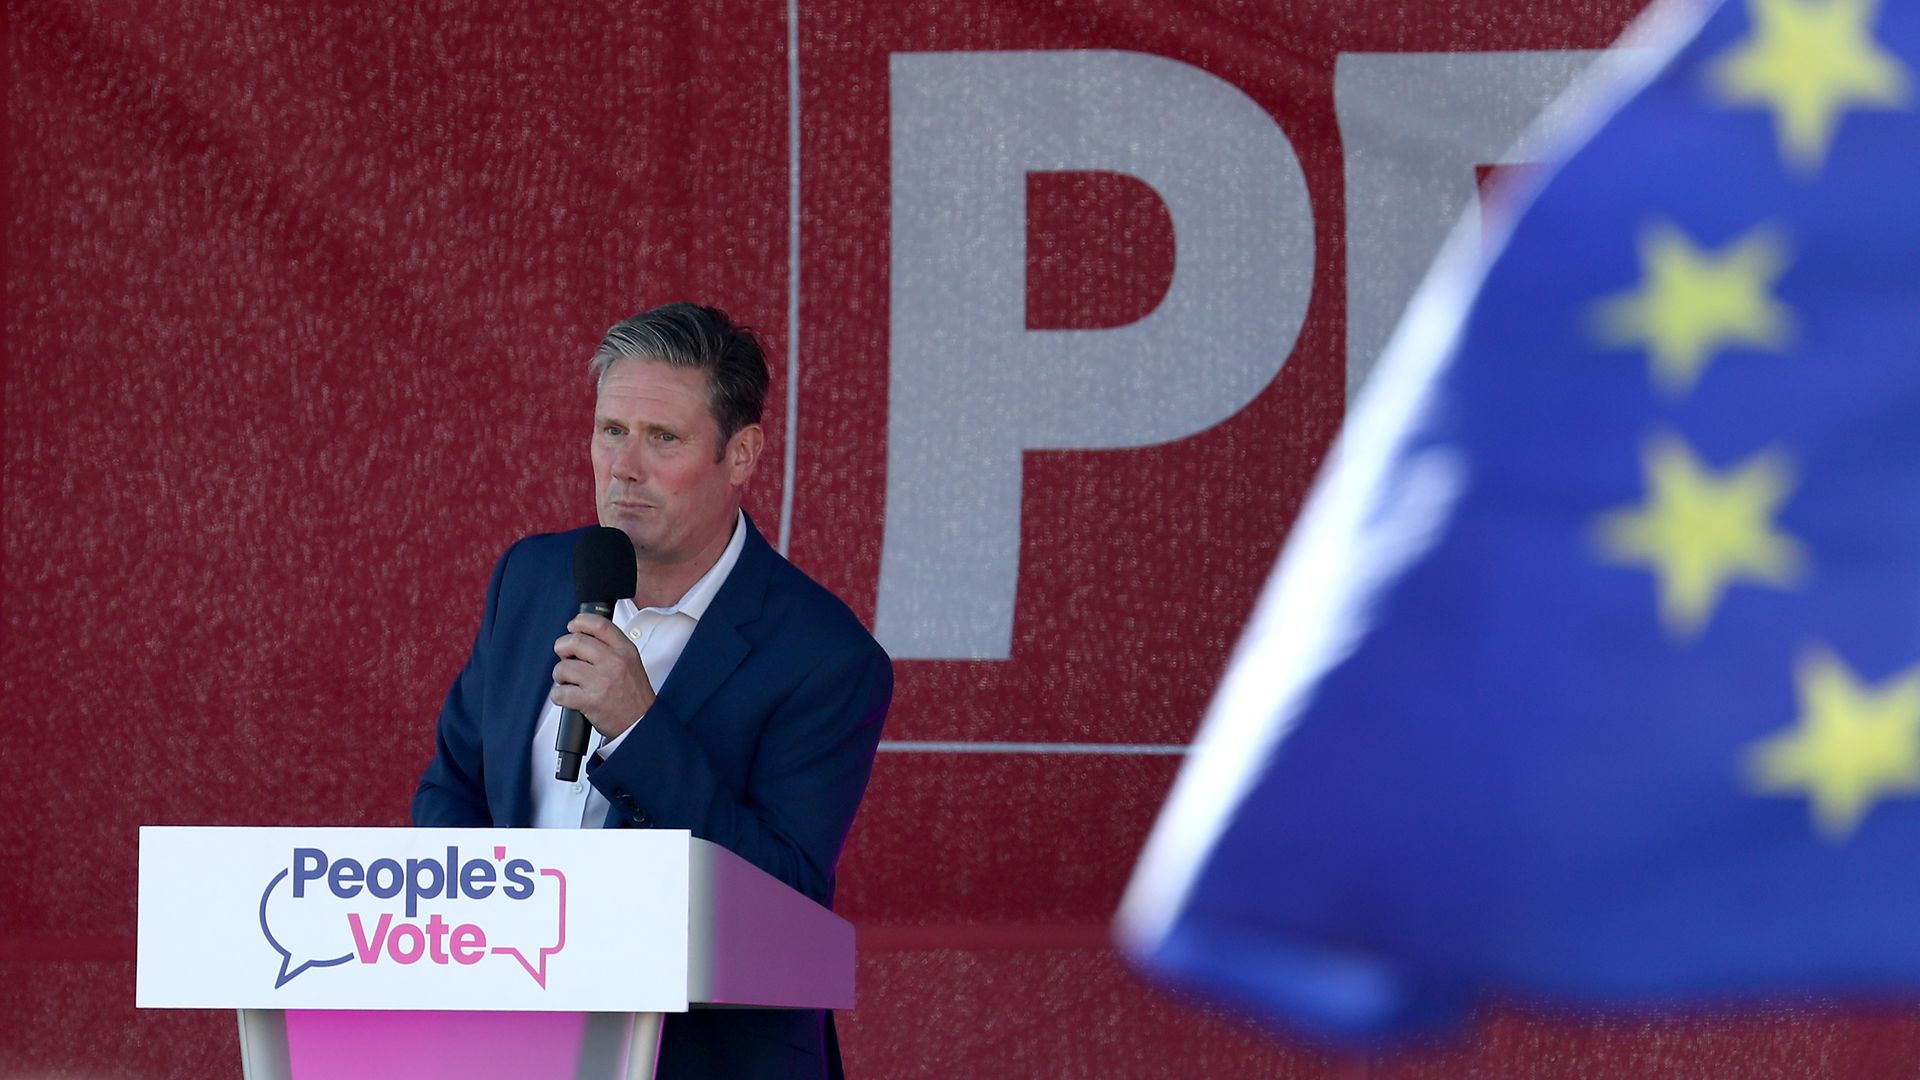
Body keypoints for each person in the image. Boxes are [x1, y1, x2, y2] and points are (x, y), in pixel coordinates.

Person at [414, 302, 892, 1079]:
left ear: (740, 455)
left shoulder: (827, 658)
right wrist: (483, 951)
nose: (624, 467)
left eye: (662, 438)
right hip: (511, 1044)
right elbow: (454, 788)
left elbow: (787, 899)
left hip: (701, 1059)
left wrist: (640, 730)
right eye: (612, 431)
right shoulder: (533, 578)